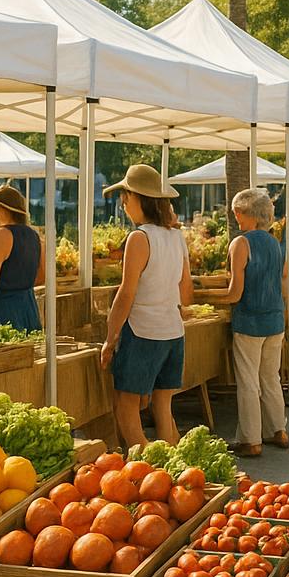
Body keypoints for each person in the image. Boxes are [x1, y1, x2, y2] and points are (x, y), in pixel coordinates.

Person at [101, 165, 192, 450]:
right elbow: (186, 291)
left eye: (125, 197)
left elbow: (126, 294)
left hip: (142, 333)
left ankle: (146, 469)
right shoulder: (177, 236)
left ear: (137, 198)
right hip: (172, 332)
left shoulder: (139, 238)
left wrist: (110, 338)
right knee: (163, 406)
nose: (124, 204)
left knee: (126, 407)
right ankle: (172, 470)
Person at [224, 188, 288, 457]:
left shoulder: (241, 243)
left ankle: (251, 440)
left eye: (237, 212)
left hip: (250, 320)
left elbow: (235, 294)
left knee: (249, 381)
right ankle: (278, 430)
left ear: (243, 213)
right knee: (270, 377)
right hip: (275, 318)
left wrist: (203, 293)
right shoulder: (274, 242)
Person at [0, 185, 43, 330]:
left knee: (4, 351)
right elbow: (42, 276)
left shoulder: (1, 235)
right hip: (29, 307)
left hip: (4, 309)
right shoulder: (35, 236)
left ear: (3, 210)